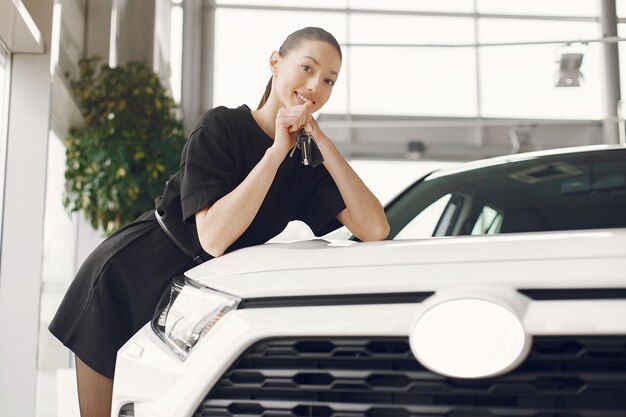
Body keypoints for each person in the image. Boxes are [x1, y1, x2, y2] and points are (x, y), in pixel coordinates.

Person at [49, 26, 389, 417]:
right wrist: (276, 151)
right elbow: (213, 238)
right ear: (275, 63)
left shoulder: (305, 164)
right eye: (307, 68)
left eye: (329, 80)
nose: (315, 86)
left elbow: (375, 228)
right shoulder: (221, 127)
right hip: (126, 278)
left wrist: (321, 140)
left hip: (192, 303)